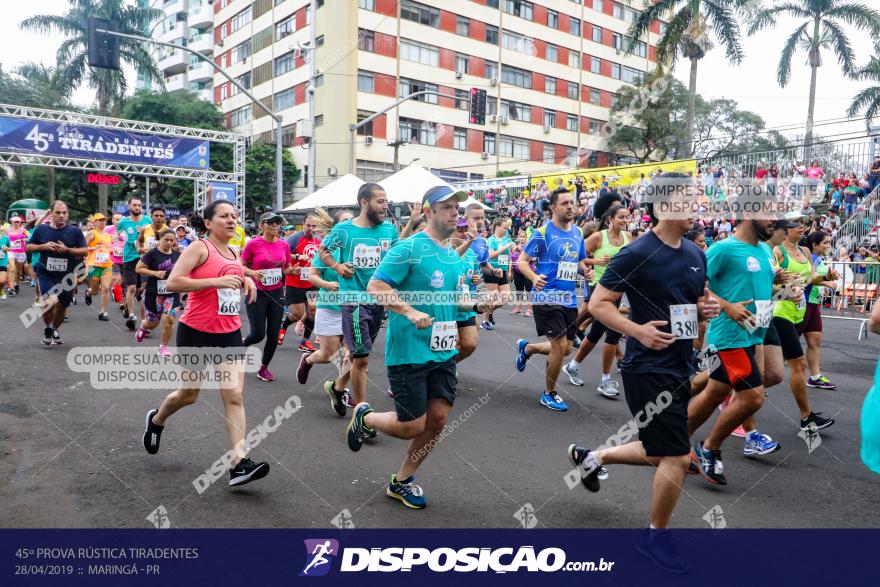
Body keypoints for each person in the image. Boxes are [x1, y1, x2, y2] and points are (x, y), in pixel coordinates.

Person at [567, 178, 719, 572]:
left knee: (659, 448)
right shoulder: (637, 252)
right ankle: (657, 537)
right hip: (646, 366)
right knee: (677, 455)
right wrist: (637, 330)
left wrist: (700, 313)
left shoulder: (695, 253)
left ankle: (593, 457)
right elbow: (600, 305)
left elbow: (685, 304)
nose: (696, 207)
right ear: (665, 206)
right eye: (688, 200)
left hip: (681, 361)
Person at [346, 185, 490, 509]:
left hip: (442, 350)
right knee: (412, 425)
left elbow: (452, 301)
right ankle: (365, 417)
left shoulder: (452, 256)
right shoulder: (408, 248)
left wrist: (477, 307)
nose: (456, 212)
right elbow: (376, 285)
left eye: (458, 207)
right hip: (409, 350)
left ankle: (402, 481)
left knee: (437, 419)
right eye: (448, 207)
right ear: (428, 212)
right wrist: (409, 311)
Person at [141, 200, 268, 487]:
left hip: (229, 333)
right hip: (196, 331)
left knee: (234, 396)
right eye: (224, 216)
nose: (232, 220)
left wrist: (246, 280)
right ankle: (156, 420)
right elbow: (174, 282)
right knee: (189, 395)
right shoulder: (199, 248)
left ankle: (239, 463)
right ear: (209, 223)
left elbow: (232, 274)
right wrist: (215, 282)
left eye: (235, 215)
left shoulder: (235, 252)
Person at [687, 214, 779, 486]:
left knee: (715, 392)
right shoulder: (722, 249)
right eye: (770, 213)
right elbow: (696, 287)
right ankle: (710, 448)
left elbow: (757, 288)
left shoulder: (763, 249)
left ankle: (673, 443)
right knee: (752, 398)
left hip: (752, 335)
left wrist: (784, 289)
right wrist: (726, 306)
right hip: (728, 337)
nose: (775, 220)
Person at [319, 183, 399, 407]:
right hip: (354, 300)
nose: (385, 206)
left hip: (378, 301)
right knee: (362, 358)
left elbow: (395, 258)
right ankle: (362, 413)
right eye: (380, 201)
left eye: (386, 201)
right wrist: (337, 266)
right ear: (364, 203)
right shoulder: (344, 230)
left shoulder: (389, 230)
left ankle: (336, 388)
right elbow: (323, 251)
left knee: (355, 355)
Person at [513, 188, 589, 412]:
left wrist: (586, 271)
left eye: (571, 203)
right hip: (546, 296)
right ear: (553, 207)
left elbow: (580, 261)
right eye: (564, 203)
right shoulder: (542, 232)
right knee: (558, 346)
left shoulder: (578, 233)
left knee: (565, 348)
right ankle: (549, 393)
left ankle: (528, 349)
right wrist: (535, 278)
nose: (570, 207)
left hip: (568, 299)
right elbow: (522, 262)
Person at [772, 217, 835, 431]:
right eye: (795, 223)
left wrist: (826, 276)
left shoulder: (806, 252)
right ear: (784, 229)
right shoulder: (777, 252)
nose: (801, 226)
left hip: (798, 312)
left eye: (802, 223)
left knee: (769, 368)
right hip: (779, 312)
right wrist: (784, 288)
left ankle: (737, 389)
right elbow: (766, 284)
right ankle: (807, 418)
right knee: (798, 363)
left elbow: (809, 279)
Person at [564, 203, 631, 397]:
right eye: (622, 217)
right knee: (613, 333)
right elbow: (576, 257)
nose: (626, 221)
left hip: (618, 291)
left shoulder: (628, 237)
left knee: (596, 333)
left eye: (627, 217)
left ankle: (573, 365)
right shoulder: (598, 237)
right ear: (610, 220)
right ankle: (605, 380)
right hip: (600, 290)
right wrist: (594, 263)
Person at [298, 209, 355, 416]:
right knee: (329, 354)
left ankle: (339, 390)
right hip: (330, 307)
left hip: (354, 308)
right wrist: (327, 284)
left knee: (352, 355)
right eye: (346, 221)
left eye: (353, 220)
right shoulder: (328, 248)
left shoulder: (363, 246)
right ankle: (308, 360)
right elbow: (312, 276)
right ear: (336, 227)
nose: (351, 224)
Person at [25, 201, 88, 345]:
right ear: (51, 213)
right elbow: (28, 247)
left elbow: (84, 251)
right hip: (46, 273)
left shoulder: (75, 231)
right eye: (58, 213)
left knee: (63, 306)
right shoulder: (41, 229)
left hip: (67, 275)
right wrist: (43, 246)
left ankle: (55, 328)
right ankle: (47, 328)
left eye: (64, 213)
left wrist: (67, 250)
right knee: (49, 301)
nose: (62, 216)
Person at [240, 212, 293, 382]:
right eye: (270, 223)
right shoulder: (253, 244)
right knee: (257, 334)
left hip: (277, 293)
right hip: (257, 292)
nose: (275, 226)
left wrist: (296, 271)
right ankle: (239, 345)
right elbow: (240, 266)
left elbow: (287, 268)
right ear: (262, 225)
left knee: (273, 333)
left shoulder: (284, 245)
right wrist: (252, 272)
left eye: (277, 223)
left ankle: (263, 368)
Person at [801, 231, 840, 389]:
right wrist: (826, 283)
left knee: (814, 340)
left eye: (829, 242)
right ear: (815, 245)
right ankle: (760, 379)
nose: (828, 245)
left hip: (813, 303)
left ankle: (815, 377)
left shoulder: (818, 258)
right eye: (825, 243)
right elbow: (807, 277)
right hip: (803, 303)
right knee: (785, 346)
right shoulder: (811, 258)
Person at [135, 228, 181, 356]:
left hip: (171, 293)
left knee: (169, 319)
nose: (169, 243)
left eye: (172, 240)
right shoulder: (151, 254)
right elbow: (138, 268)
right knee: (153, 323)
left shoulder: (177, 255)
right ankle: (144, 327)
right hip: (153, 293)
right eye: (166, 240)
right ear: (160, 239)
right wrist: (154, 273)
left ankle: (163, 347)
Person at [280, 214, 322, 351]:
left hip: (312, 281)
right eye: (308, 225)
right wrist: (298, 256)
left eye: (314, 226)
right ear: (303, 225)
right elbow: (282, 254)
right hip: (295, 281)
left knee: (312, 311)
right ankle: (284, 326)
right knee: (297, 314)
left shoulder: (319, 240)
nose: (311, 228)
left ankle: (304, 341)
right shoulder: (294, 238)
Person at [118, 197, 152, 331]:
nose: (137, 207)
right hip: (129, 257)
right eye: (134, 205)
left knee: (143, 286)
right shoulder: (123, 222)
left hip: (144, 257)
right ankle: (131, 316)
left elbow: (153, 236)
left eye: (139, 205)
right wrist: (121, 239)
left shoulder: (147, 220)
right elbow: (118, 237)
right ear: (129, 206)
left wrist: (143, 235)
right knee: (131, 288)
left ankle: (129, 304)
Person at [83, 213, 113, 321]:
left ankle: (103, 312)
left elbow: (109, 249)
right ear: (94, 222)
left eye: (104, 220)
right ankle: (89, 293)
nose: (103, 222)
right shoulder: (91, 234)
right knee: (95, 291)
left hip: (107, 265)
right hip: (94, 266)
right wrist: (93, 248)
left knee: (105, 288)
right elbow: (82, 248)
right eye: (100, 220)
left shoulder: (108, 235)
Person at [484, 218, 514, 325]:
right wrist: (505, 247)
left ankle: (489, 312)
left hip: (503, 270)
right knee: (492, 297)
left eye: (507, 228)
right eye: (504, 228)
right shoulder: (491, 240)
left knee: (505, 298)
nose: (506, 230)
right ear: (497, 227)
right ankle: (485, 320)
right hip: (492, 270)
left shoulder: (507, 239)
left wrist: (519, 247)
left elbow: (514, 248)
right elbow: (491, 255)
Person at [510, 231, 533, 316]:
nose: (522, 238)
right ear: (518, 237)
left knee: (529, 291)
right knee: (518, 290)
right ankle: (518, 308)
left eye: (524, 237)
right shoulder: (515, 248)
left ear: (526, 238)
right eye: (520, 236)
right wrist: (510, 271)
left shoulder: (529, 246)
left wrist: (523, 251)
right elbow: (511, 259)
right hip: (517, 271)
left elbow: (533, 259)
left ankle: (530, 309)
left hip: (527, 271)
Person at [6, 215, 29, 296]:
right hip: (11, 251)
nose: (16, 223)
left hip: (21, 252)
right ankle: (11, 287)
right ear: (12, 222)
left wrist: (21, 240)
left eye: (18, 222)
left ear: (20, 223)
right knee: (12, 268)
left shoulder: (23, 230)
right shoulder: (9, 230)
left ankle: (16, 283)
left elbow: (30, 237)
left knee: (18, 271)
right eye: (14, 222)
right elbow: (5, 239)